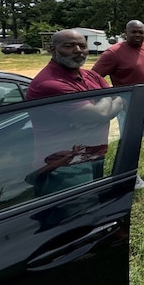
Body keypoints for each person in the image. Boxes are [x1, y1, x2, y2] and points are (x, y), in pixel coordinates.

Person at [26, 29, 124, 196]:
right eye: (69, 46)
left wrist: (104, 105)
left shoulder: (90, 75)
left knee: (93, 207)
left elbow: (119, 98)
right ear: (52, 49)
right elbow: (102, 113)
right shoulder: (51, 84)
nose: (78, 50)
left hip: (92, 155)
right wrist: (105, 104)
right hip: (63, 165)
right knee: (71, 214)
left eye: (82, 46)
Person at [92, 20, 144, 189]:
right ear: (125, 33)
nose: (137, 35)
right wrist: (112, 95)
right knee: (131, 142)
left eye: (140, 32)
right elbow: (94, 77)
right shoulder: (113, 53)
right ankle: (131, 174)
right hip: (129, 108)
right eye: (133, 32)